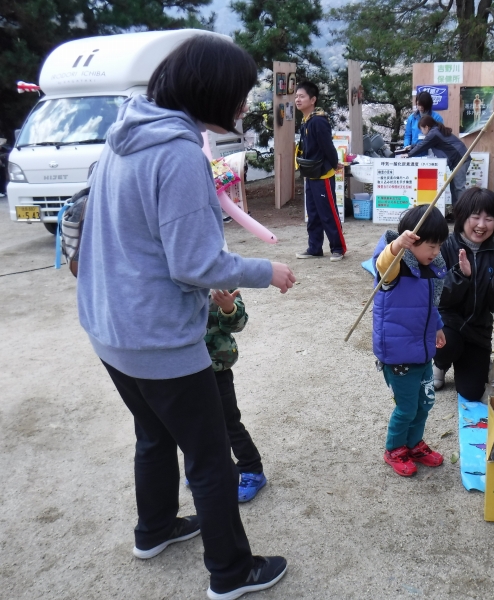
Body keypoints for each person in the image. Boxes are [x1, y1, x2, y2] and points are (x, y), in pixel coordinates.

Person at [76, 36, 295, 598]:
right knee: (208, 460)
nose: (244, 106)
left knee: (152, 436)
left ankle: (153, 530)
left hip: (110, 331)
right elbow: (197, 264)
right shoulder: (176, 154)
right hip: (157, 339)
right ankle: (231, 571)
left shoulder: (123, 139)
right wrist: (266, 271)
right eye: (241, 94)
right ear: (213, 90)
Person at [372, 205, 449, 477]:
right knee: (406, 408)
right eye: (431, 246)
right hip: (398, 354)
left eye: (439, 246)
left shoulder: (429, 270)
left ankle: (414, 444)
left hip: (422, 352)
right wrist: (396, 245)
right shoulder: (395, 268)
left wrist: (438, 328)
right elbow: (382, 264)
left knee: (424, 403)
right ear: (412, 241)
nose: (436, 252)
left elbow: (429, 306)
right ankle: (394, 449)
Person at [433, 188, 494, 399]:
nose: (481, 225)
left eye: (489, 219)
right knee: (447, 345)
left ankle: (475, 361)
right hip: (446, 324)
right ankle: (440, 363)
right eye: (476, 217)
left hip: (478, 330)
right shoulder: (443, 247)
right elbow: (436, 297)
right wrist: (461, 276)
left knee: (472, 393)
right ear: (463, 216)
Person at [204, 289, 267, 503]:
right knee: (195, 422)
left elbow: (238, 324)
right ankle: (209, 468)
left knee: (228, 420)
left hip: (216, 364)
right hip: (182, 366)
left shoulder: (220, 274)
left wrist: (228, 308)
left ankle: (252, 469)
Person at [294, 80, 347, 262]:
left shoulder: (318, 121)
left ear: (313, 99)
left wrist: (334, 163)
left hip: (322, 173)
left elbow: (328, 146)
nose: (297, 99)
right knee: (313, 212)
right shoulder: (307, 120)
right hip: (311, 172)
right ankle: (314, 248)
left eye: (302, 96)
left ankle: (338, 248)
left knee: (328, 212)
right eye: (297, 96)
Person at [407, 115, 470, 204]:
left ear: (426, 127)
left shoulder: (434, 133)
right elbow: (425, 144)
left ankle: (464, 212)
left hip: (460, 158)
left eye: (421, 129)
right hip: (458, 158)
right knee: (454, 187)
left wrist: (408, 155)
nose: (422, 132)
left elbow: (423, 145)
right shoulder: (436, 130)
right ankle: (456, 211)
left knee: (459, 187)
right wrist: (411, 147)